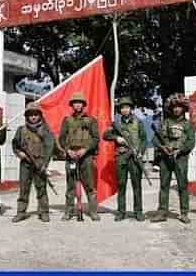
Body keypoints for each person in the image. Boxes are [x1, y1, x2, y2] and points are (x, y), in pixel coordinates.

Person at [152, 93, 196, 224]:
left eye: (179, 107)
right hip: (165, 159)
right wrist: (162, 147)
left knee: (183, 186)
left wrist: (180, 151)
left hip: (181, 159)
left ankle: (184, 213)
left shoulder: (188, 125)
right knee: (164, 185)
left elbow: (191, 142)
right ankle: (162, 212)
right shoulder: (165, 122)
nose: (177, 109)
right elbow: (155, 138)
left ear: (184, 108)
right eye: (174, 107)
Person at [103, 97, 147, 222]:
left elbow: (144, 139)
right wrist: (116, 138)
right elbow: (105, 135)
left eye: (127, 107)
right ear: (120, 110)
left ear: (131, 108)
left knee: (137, 186)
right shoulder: (117, 124)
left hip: (134, 157)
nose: (125, 110)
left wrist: (141, 152)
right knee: (121, 185)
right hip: (121, 157)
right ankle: (121, 212)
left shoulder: (138, 122)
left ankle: (138, 211)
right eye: (122, 108)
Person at [59, 92, 100, 221]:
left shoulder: (91, 120)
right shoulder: (67, 120)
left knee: (89, 185)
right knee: (70, 185)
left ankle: (93, 211)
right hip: (71, 156)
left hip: (86, 157)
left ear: (83, 104)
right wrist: (67, 150)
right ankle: (69, 211)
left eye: (79, 102)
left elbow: (96, 138)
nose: (77, 105)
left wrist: (85, 149)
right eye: (75, 103)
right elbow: (61, 138)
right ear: (72, 105)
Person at [11, 102, 55, 223]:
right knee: (24, 189)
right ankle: (21, 212)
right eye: (31, 115)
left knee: (41, 188)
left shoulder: (45, 131)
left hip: (39, 164)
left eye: (36, 114)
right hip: (25, 164)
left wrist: (44, 165)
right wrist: (20, 154)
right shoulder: (21, 130)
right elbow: (15, 145)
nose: (33, 117)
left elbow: (49, 148)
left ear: (40, 115)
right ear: (27, 116)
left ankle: (44, 212)